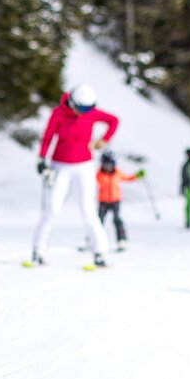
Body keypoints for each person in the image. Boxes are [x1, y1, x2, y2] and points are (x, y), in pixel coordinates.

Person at [31, 84, 120, 268]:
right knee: (52, 209)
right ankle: (38, 251)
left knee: (88, 211)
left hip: (84, 167)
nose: (85, 112)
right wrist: (42, 158)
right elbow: (48, 137)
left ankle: (100, 253)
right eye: (82, 108)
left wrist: (103, 141)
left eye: (89, 108)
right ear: (72, 102)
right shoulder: (58, 113)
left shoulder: (91, 113)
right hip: (60, 166)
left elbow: (114, 121)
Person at [96, 151, 144, 251]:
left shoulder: (117, 172)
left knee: (117, 219)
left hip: (115, 200)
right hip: (103, 201)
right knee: (98, 221)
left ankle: (122, 240)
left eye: (110, 164)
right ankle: (94, 240)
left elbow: (127, 178)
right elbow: (89, 181)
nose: (108, 167)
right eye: (106, 164)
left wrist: (137, 175)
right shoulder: (99, 174)